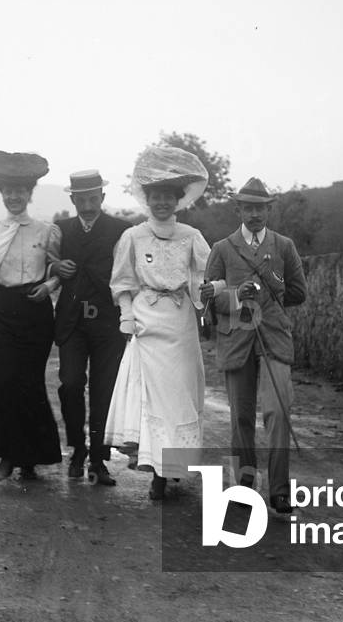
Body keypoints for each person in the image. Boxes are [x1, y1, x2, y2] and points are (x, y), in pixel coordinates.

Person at [103, 145, 217, 500]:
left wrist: (208, 302)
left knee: (178, 394)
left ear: (178, 200)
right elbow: (122, 280)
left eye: (168, 197)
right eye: (155, 196)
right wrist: (126, 315)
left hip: (180, 322)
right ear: (146, 199)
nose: (162, 203)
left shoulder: (191, 236)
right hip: (147, 323)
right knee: (152, 399)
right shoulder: (133, 236)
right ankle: (157, 473)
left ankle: (175, 465)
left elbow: (206, 275)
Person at [204, 177, 308, 514]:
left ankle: (279, 490)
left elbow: (298, 292)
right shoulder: (221, 248)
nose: (254, 214)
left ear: (269, 209)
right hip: (237, 340)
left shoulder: (283, 246)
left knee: (278, 410)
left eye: (260, 208)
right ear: (238, 209)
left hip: (274, 335)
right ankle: (245, 485)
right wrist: (237, 296)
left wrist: (270, 290)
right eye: (247, 208)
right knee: (241, 417)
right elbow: (209, 301)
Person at [0, 151, 63, 480]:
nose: (14, 196)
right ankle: (5, 451)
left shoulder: (46, 231)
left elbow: (58, 269)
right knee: (2, 382)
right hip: (2, 310)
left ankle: (29, 460)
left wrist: (49, 285)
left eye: (21, 190)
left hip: (35, 311)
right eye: (8, 190)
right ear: (1, 192)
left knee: (29, 385)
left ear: (30, 193)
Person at [50, 170, 132, 486]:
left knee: (104, 391)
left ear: (102, 198)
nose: (87, 205)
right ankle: (78, 450)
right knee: (70, 384)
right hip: (71, 320)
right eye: (81, 199)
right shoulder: (61, 230)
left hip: (108, 322)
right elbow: (45, 262)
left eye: (92, 198)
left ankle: (98, 459)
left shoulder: (122, 231)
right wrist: (55, 266)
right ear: (72, 199)